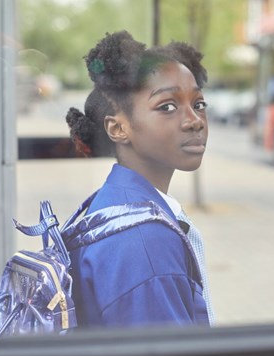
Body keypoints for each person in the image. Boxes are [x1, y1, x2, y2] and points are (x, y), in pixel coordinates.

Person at [65, 30, 214, 328]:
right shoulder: (146, 244)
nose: (195, 121)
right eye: (167, 107)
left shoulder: (114, 201)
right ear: (119, 129)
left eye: (198, 104)